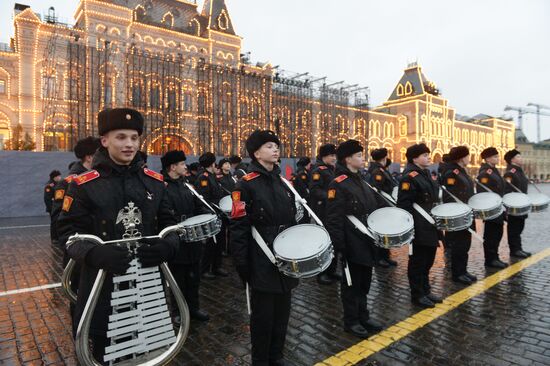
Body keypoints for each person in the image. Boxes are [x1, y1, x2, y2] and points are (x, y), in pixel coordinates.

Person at [57, 108, 179, 360]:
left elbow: (170, 225)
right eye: (121, 137)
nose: (129, 144)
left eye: (134, 138)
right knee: (104, 356)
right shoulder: (83, 185)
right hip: (102, 290)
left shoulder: (155, 182)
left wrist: (168, 246)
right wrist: (93, 253)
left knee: (149, 356)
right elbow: (66, 233)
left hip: (148, 289)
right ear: (105, 141)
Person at [230, 129, 297, 366]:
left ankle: (276, 356)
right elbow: (238, 228)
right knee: (263, 317)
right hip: (261, 259)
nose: (275, 149)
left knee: (282, 314)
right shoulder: (244, 186)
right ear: (256, 153)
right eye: (269, 146)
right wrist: (242, 264)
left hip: (285, 258)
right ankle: (260, 360)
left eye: (276, 145)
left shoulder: (283, 182)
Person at [326, 140, 385, 338]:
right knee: (351, 284)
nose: (363, 158)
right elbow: (333, 219)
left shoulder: (362, 180)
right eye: (359, 155)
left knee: (365, 282)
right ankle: (351, 321)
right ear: (348, 159)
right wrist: (341, 247)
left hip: (366, 240)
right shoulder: (338, 183)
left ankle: (364, 316)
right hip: (351, 242)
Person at [161, 150, 210, 322]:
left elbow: (198, 205)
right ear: (172, 167)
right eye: (182, 164)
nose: (185, 166)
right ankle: (177, 312)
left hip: (193, 238)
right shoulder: (162, 187)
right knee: (178, 278)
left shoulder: (187, 185)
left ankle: (193, 308)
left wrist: (206, 214)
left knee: (194, 277)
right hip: (176, 238)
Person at [397, 143, 443, 308]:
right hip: (419, 226)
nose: (428, 157)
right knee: (418, 262)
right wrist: (410, 229)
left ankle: (426, 290)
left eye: (428, 154)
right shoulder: (409, 177)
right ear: (414, 158)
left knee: (428, 260)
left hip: (429, 225)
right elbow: (403, 205)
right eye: (424, 155)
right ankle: (417, 294)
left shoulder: (425, 173)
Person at [441, 146, 478, 285]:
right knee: (459, 245)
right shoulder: (451, 172)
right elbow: (449, 195)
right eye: (468, 156)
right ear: (462, 157)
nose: (469, 158)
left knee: (465, 244)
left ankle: (463, 270)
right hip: (458, 215)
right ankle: (457, 273)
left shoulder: (461, 171)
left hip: (465, 213)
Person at [309, 143, 339, 285]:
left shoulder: (331, 169)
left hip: (332, 211)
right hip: (323, 211)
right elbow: (315, 190)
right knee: (324, 242)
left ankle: (331, 271)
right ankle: (322, 273)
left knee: (333, 241)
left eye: (335, 155)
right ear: (324, 156)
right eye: (332, 155)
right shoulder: (318, 170)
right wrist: (331, 197)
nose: (334, 158)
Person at [196, 152, 228, 279]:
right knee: (211, 244)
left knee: (219, 242)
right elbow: (204, 198)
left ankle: (216, 266)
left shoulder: (212, 176)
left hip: (218, 212)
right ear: (212, 163)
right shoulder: (203, 178)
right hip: (211, 213)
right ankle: (204, 269)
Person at [367, 148, 398, 268]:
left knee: (387, 232)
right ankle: (379, 258)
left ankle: (386, 256)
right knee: (382, 233)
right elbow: (376, 190)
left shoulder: (381, 169)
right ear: (384, 158)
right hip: (381, 206)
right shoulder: (377, 171)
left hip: (386, 205)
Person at [477, 147, 507, 269]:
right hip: (491, 209)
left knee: (497, 233)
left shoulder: (493, 170)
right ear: (488, 158)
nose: (498, 158)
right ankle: (490, 259)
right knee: (491, 235)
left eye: (497, 156)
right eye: (495, 157)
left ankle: (495, 257)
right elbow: (482, 191)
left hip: (497, 207)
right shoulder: (485, 172)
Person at [503, 149, 531, 258]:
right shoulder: (510, 173)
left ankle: (518, 248)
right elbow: (507, 190)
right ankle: (514, 250)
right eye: (518, 157)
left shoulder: (519, 170)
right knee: (514, 229)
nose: (521, 158)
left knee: (519, 227)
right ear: (512, 160)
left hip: (521, 204)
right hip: (514, 205)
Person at [44, 170, 62, 244]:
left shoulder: (59, 184)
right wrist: (52, 209)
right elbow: (47, 199)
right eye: (58, 176)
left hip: (58, 207)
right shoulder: (49, 186)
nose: (60, 177)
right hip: (53, 208)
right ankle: (54, 238)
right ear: (55, 177)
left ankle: (59, 237)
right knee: (54, 223)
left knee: (59, 222)